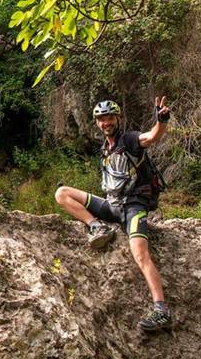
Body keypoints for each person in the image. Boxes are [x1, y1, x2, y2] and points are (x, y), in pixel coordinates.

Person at [54, 97, 173, 333]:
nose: (105, 122)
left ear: (117, 118)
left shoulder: (129, 139)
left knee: (140, 254)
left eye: (109, 117)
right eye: (101, 119)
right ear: (97, 123)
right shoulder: (105, 148)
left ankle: (161, 310)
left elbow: (151, 137)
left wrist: (161, 121)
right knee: (62, 193)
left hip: (134, 207)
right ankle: (97, 226)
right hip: (112, 206)